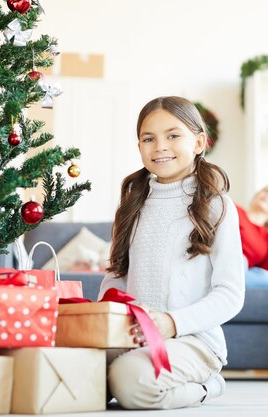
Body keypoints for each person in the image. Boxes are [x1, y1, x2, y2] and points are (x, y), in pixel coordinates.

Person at [99, 96, 245, 409]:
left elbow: (230, 294)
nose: (160, 146)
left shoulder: (217, 207)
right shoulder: (131, 206)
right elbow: (116, 278)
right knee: (77, 369)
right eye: (148, 138)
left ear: (199, 142)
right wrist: (109, 321)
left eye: (173, 135)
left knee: (129, 380)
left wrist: (171, 323)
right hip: (134, 335)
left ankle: (209, 385)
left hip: (192, 341)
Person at [236, 183, 268, 288]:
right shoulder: (236, 210)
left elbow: (266, 270)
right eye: (265, 191)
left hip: (242, 272)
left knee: (267, 279)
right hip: (224, 258)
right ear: (256, 195)